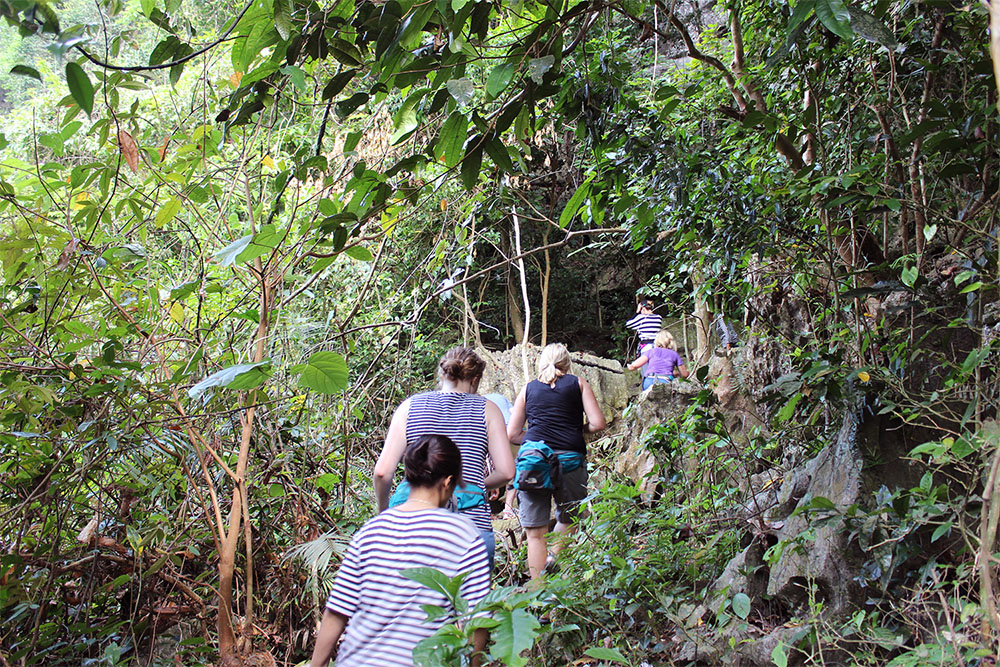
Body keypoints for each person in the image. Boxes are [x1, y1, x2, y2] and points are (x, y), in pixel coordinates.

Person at [310, 435, 491, 667]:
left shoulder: (371, 530)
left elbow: (337, 612)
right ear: (448, 482)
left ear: (409, 475)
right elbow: (476, 619)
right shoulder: (465, 535)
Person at [374, 347, 514, 569]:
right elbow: (507, 472)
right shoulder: (488, 410)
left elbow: (382, 472)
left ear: (442, 374)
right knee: (467, 603)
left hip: (412, 525)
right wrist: (472, 484)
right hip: (471, 529)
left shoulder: (409, 407)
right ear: (475, 379)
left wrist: (382, 514)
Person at [506, 343, 606, 579]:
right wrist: (576, 431)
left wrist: (531, 440)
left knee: (534, 533)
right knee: (571, 518)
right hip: (569, 459)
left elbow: (512, 434)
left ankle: (540, 600)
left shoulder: (528, 389)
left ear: (541, 364)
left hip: (533, 461)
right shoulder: (578, 384)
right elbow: (598, 423)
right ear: (567, 364)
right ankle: (554, 556)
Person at [625, 299, 663, 376]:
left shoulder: (641, 318)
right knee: (656, 369)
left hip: (646, 347)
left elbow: (628, 324)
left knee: (647, 371)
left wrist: (637, 312)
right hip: (657, 346)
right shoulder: (659, 318)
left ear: (643, 309)